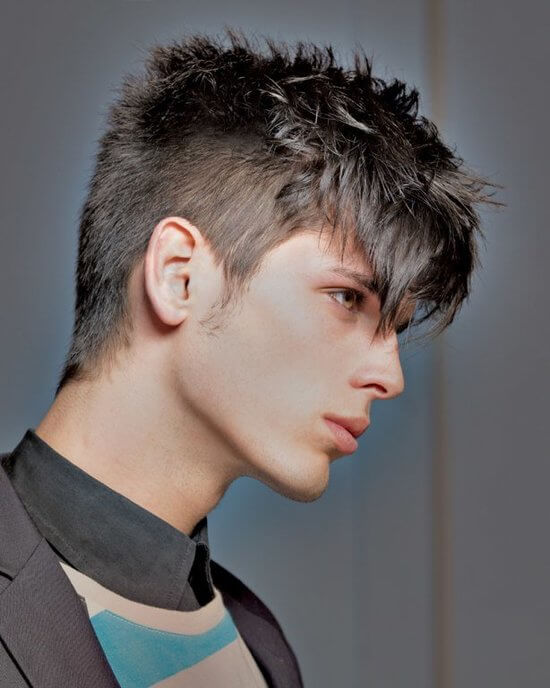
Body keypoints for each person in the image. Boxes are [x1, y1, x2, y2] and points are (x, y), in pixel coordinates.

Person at [0, 27, 495, 688]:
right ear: (179, 276)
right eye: (347, 298)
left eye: (395, 329)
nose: (390, 377)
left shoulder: (259, 646)